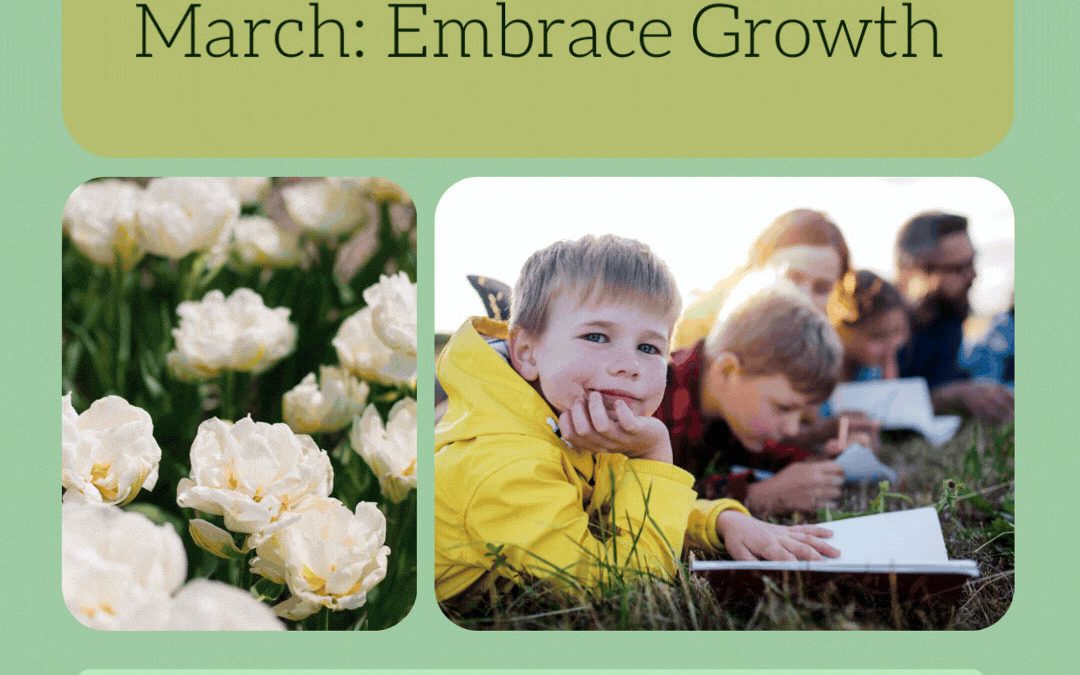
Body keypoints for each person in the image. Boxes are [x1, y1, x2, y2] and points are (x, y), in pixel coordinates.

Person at [435, 235, 838, 604]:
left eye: (648, 347)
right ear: (526, 352)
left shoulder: (569, 421)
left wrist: (724, 522)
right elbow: (630, 586)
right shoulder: (506, 465)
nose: (629, 365)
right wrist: (654, 452)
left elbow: (620, 505)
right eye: (596, 337)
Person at [657, 274, 853, 515]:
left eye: (801, 414)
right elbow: (647, 497)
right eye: (783, 408)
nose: (792, 429)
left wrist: (819, 463)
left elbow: (769, 454)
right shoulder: (653, 400)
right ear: (727, 371)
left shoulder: (732, 407)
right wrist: (757, 496)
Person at [672, 208, 850, 351]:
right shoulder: (699, 326)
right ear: (759, 265)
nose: (804, 298)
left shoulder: (828, 341)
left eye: (822, 288)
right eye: (791, 278)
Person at [894, 212, 1013, 424]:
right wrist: (944, 397)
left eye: (972, 262)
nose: (973, 275)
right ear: (916, 272)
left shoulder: (947, 317)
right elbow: (871, 401)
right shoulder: (882, 327)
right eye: (959, 268)